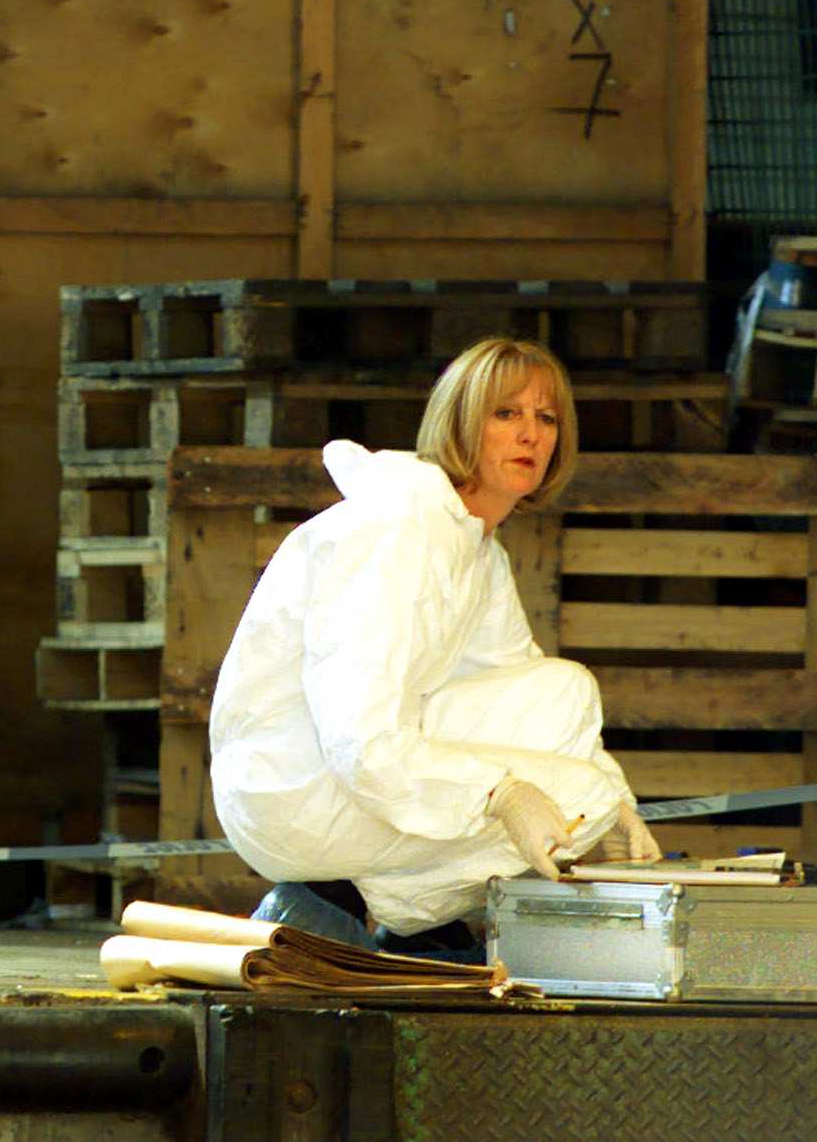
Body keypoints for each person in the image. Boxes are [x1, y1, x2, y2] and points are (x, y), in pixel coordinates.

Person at [207, 336, 660, 954]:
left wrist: (618, 802)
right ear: (460, 423)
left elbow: (533, 698)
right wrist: (501, 793)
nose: (530, 434)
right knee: (581, 793)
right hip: (294, 787)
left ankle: (408, 918)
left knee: (566, 695)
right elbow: (359, 739)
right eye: (506, 413)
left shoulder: (473, 545)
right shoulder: (396, 532)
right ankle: (340, 908)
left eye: (545, 417)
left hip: (340, 774)